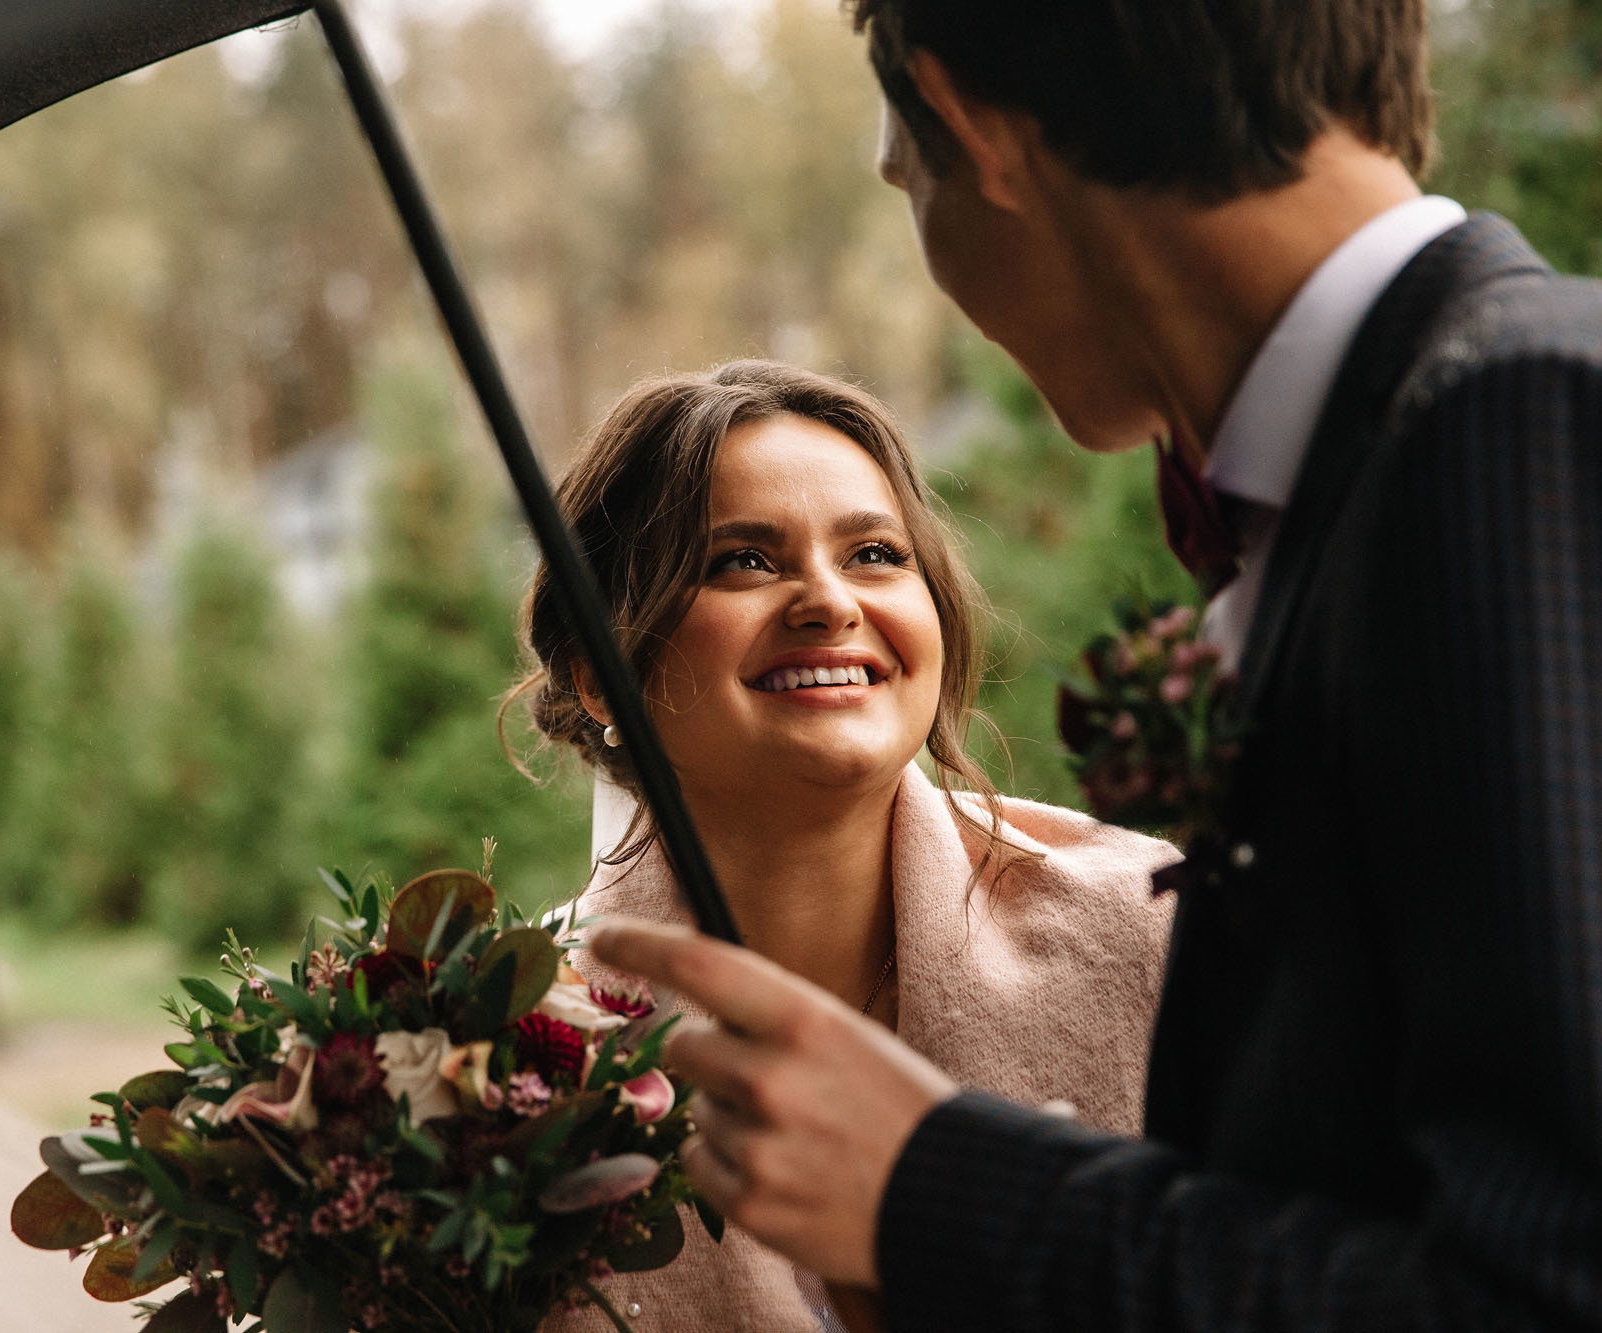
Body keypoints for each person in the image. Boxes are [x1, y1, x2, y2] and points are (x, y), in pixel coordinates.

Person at [589, 1, 1602, 1329]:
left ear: (971, 127)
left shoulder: (1503, 430)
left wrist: (935, 1190)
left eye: (903, 174)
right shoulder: (1399, 462)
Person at [511, 360, 1178, 1331]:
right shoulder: (495, 1057)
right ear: (601, 674)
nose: (828, 601)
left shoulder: (1153, 942)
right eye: (741, 560)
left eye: (874, 554)